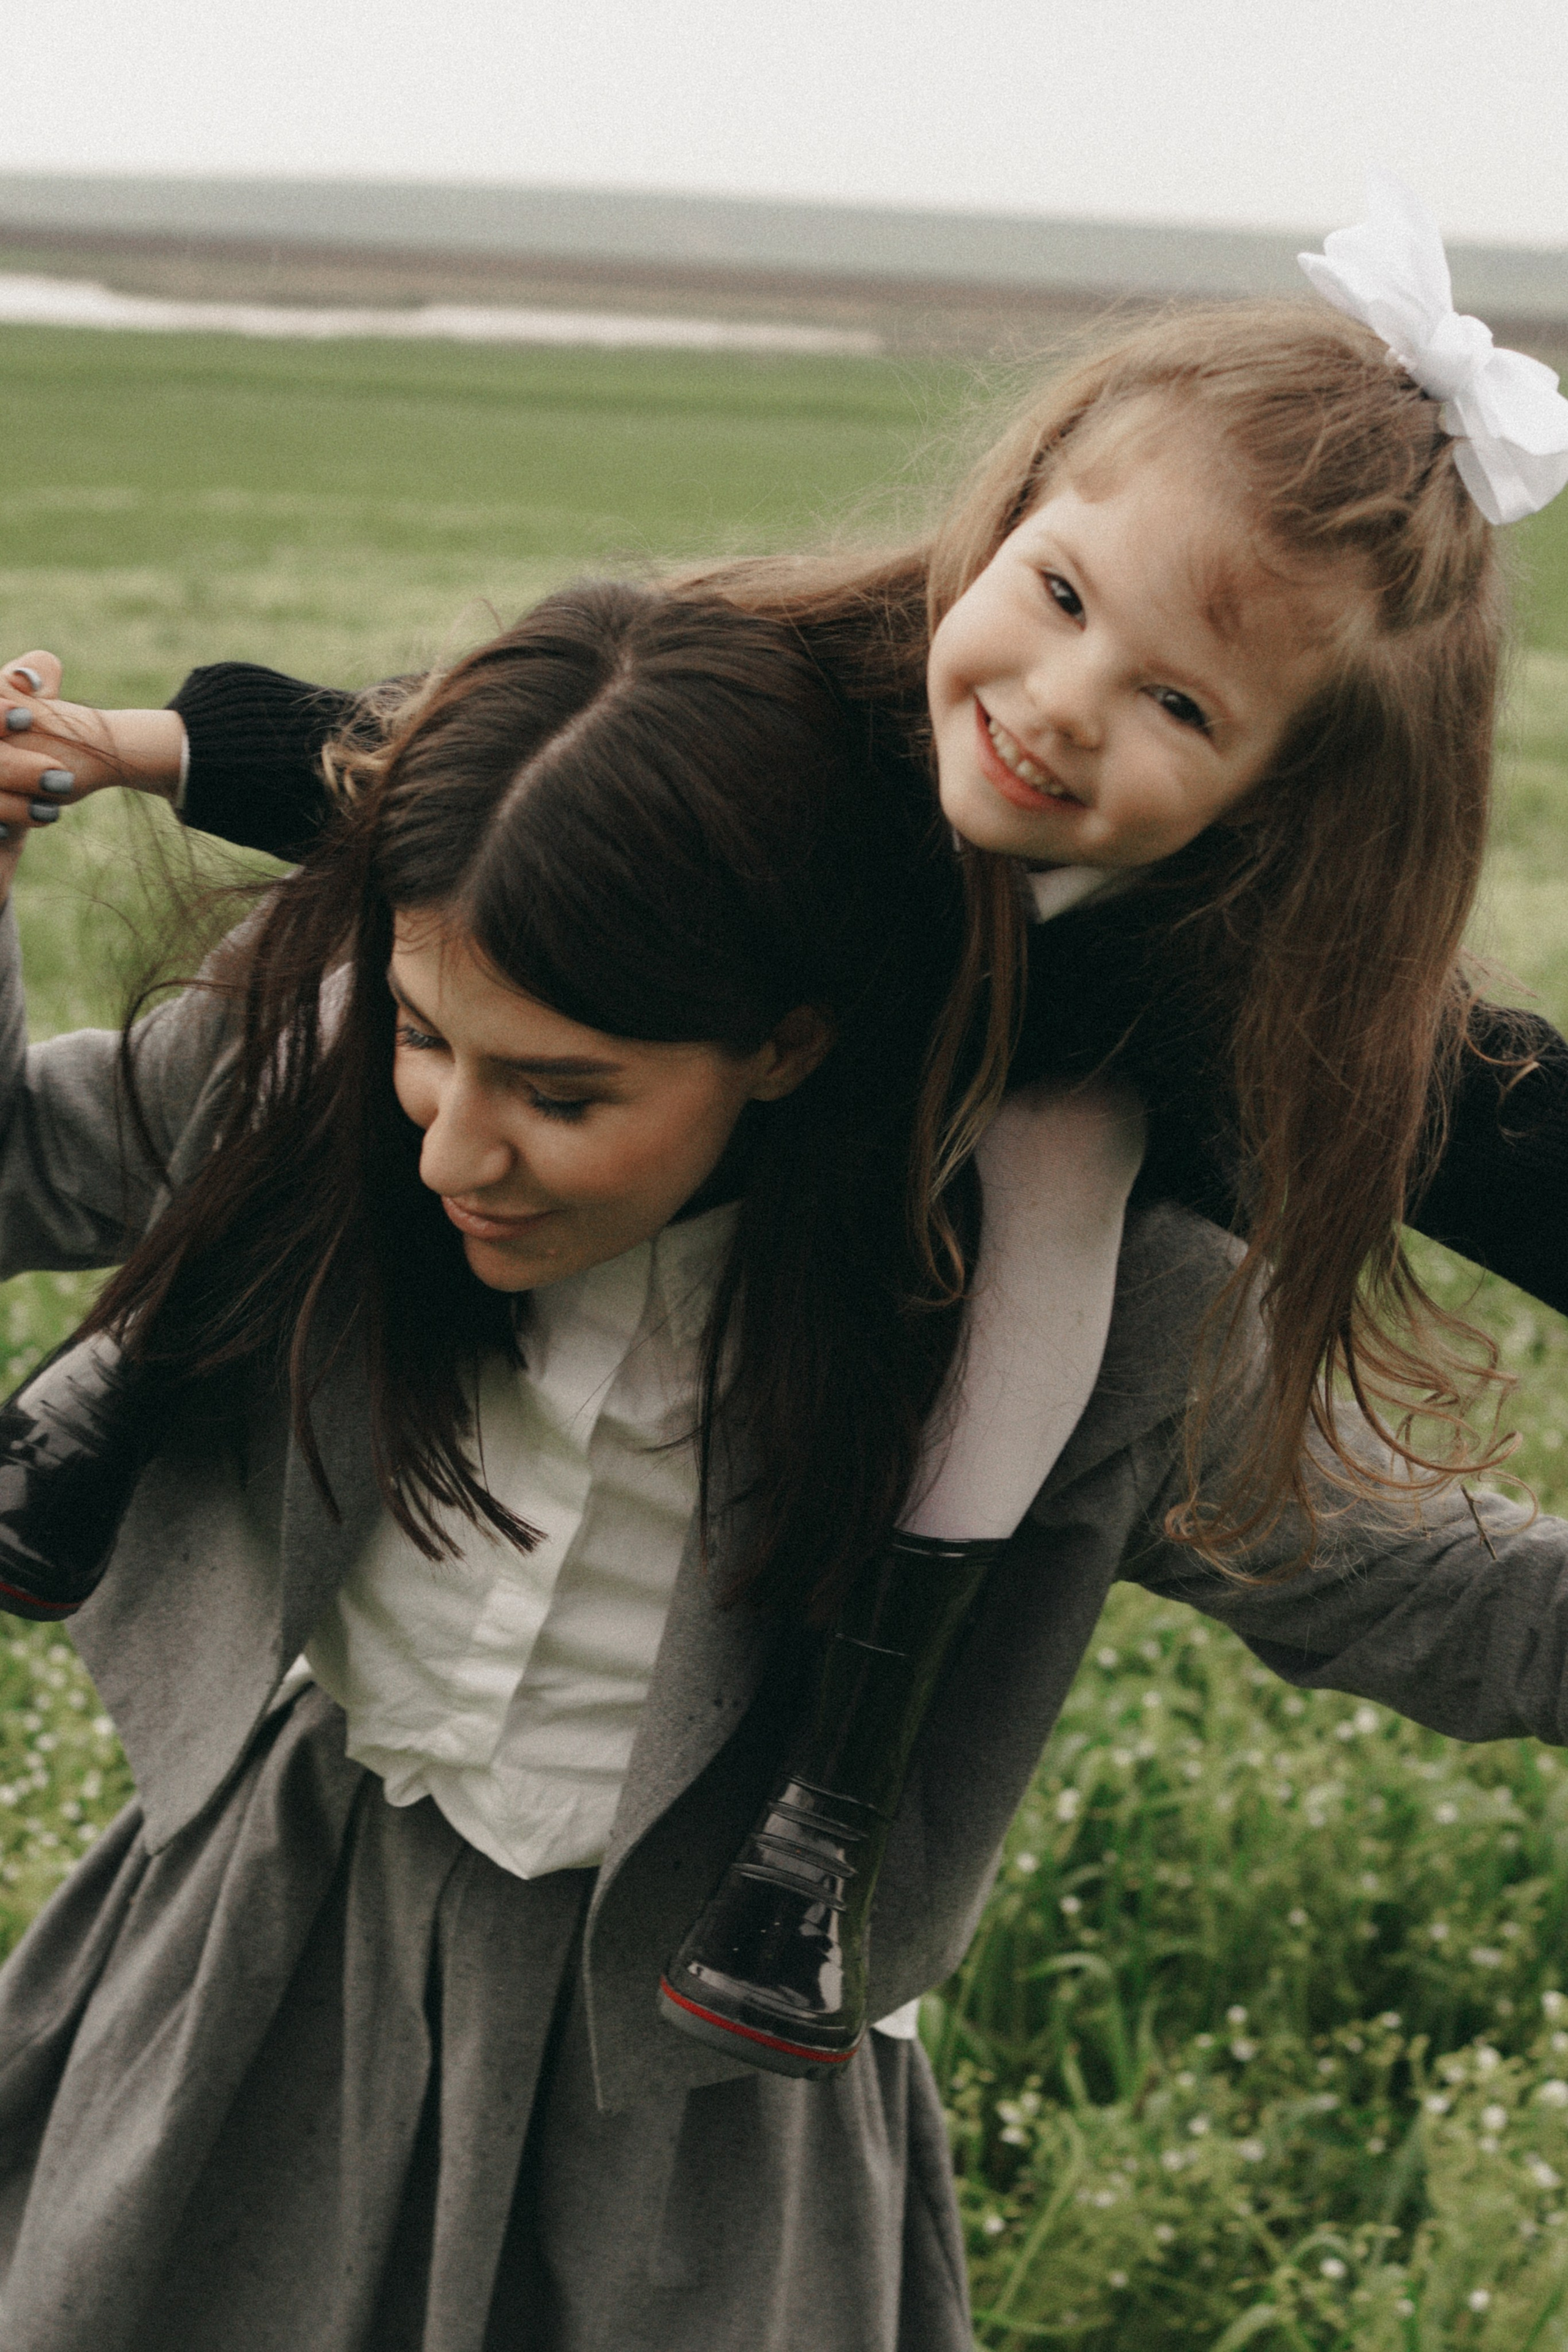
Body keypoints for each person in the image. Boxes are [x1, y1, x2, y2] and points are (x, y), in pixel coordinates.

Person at [3, 178, 1567, 2076]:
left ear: (1274, 794)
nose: (1061, 712)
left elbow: (1470, 1298)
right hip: (252, 1973)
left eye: (1172, 701)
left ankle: (823, 1823)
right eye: (1057, 597)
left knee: (1060, 1193)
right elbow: (409, 760)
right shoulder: (745, 738)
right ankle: (112, 1388)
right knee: (385, 971)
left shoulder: (1213, 1025)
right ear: (998, 526)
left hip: (695, 2108)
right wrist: (149, 745)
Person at [6, 593, 1568, 2352]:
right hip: (264, 1963)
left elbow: (1473, 1611)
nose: (455, 1142)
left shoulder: (1059, 1324)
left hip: (693, 2112)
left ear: (786, 1045)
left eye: (566, 1093)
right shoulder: (321, 1088)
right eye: (427, 1041)